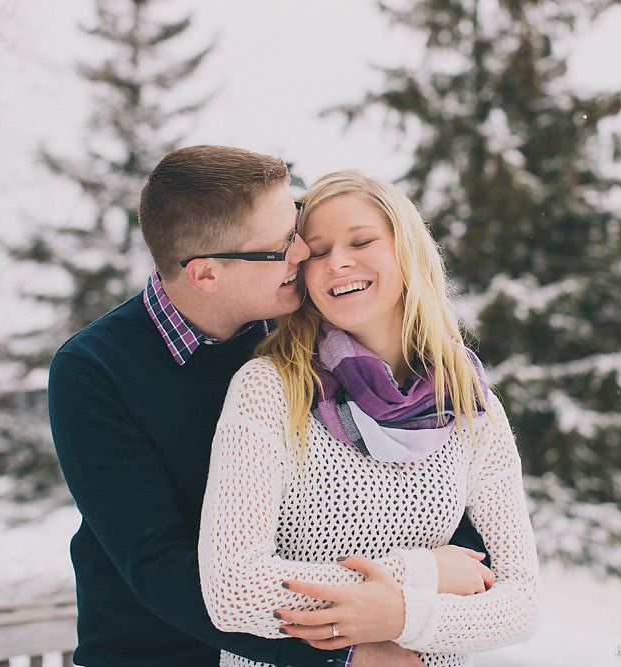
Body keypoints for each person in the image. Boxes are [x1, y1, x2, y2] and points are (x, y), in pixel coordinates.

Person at [48, 146, 494, 667]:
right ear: (206, 275)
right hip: (162, 651)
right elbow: (157, 563)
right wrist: (345, 653)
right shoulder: (95, 371)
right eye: (281, 246)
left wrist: (426, 585)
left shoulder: (308, 332)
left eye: (296, 224)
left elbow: (414, 464)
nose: (305, 253)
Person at [198, 170, 539, 666]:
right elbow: (233, 589)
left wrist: (400, 616)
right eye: (316, 251)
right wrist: (420, 577)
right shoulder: (269, 387)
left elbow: (520, 604)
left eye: (362, 241)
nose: (338, 261)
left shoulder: (468, 403)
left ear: (407, 251)